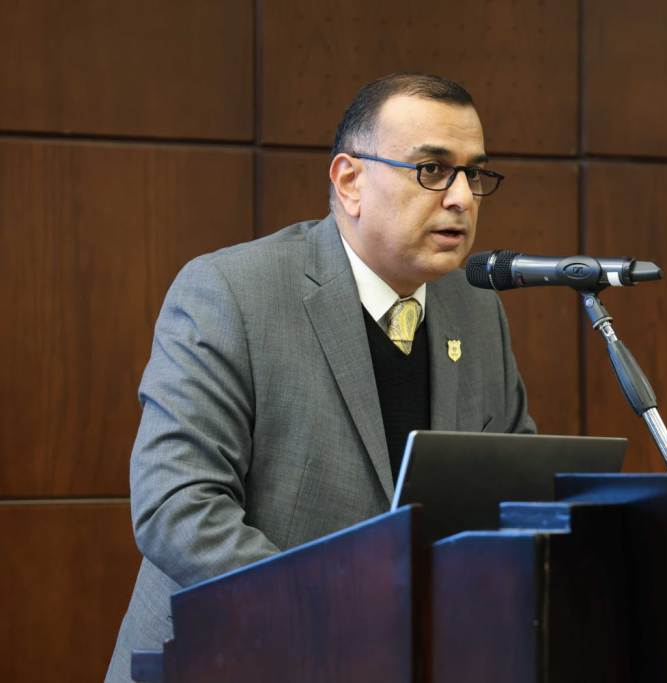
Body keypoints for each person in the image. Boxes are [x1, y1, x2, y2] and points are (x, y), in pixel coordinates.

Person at [105, 73, 535, 681]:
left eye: (475, 174)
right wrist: (339, 618)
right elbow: (178, 507)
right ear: (350, 181)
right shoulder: (232, 292)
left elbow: (516, 491)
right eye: (433, 170)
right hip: (230, 658)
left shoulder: (475, 305)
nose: (462, 197)